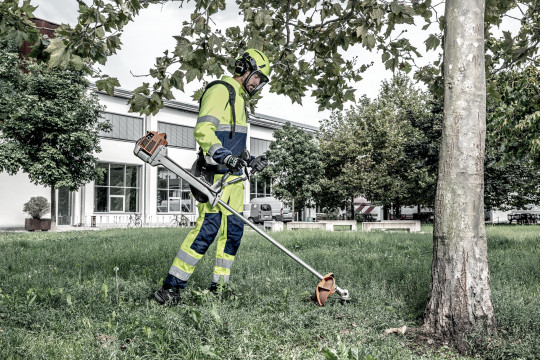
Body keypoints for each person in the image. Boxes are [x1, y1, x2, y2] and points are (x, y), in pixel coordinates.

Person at [155, 49, 271, 304]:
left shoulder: (241, 100)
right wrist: (224, 157)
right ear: (245, 68)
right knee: (206, 231)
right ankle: (170, 288)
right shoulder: (221, 90)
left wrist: (249, 160)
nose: (258, 84)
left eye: (261, 81)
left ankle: (219, 287)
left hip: (235, 180)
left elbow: (233, 143)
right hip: (215, 177)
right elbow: (204, 131)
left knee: (233, 233)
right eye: (258, 77)